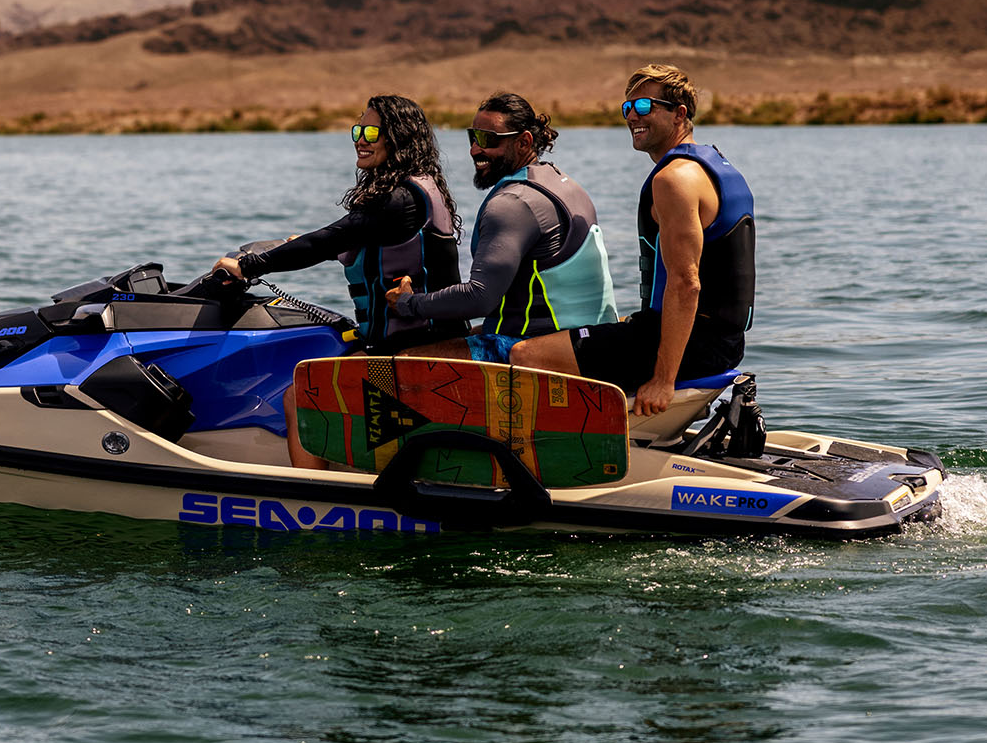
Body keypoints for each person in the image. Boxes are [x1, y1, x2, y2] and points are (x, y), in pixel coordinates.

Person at [211, 94, 460, 470]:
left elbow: (331, 239)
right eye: (358, 128)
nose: (361, 138)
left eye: (372, 130)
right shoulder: (413, 191)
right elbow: (349, 245)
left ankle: (310, 498)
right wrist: (291, 247)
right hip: (403, 341)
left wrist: (249, 265)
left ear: (399, 137)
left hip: (416, 348)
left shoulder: (402, 200)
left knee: (303, 393)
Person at [510, 64, 753, 417]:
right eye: (628, 108)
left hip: (694, 346)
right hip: (722, 341)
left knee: (526, 355)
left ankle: (565, 451)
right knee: (601, 333)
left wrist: (663, 379)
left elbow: (687, 284)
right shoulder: (718, 167)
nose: (632, 117)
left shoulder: (674, 180)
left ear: (679, 114)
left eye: (644, 107)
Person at [384, 91, 617, 364]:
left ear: (524, 142)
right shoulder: (562, 182)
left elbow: (480, 298)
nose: (474, 150)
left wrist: (409, 304)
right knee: (449, 340)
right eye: (473, 137)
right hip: (584, 338)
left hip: (542, 346)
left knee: (406, 360)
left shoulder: (513, 203)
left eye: (487, 140)